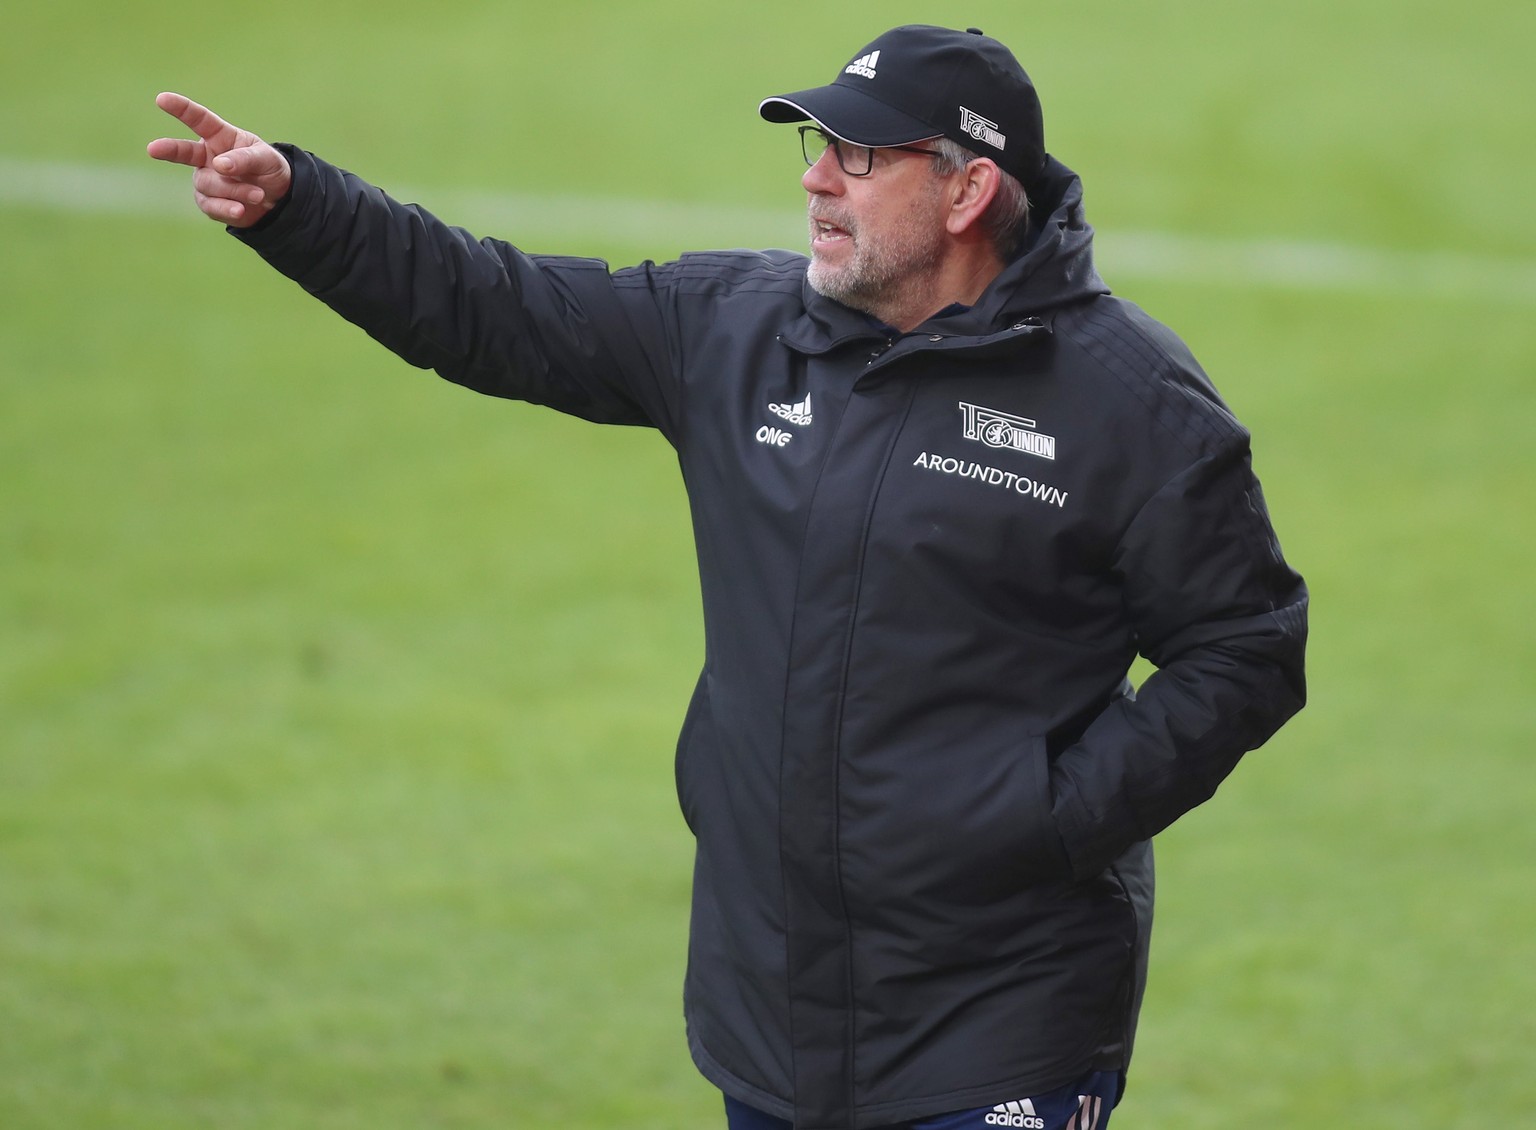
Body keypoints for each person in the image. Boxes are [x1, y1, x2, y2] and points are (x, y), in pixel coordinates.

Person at [148, 24, 1307, 1130]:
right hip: (773, 1008)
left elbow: (1247, 644)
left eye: (860, 154)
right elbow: (489, 307)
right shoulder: (738, 330)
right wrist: (299, 206)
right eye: (818, 147)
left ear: (966, 192)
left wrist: (1045, 819)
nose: (818, 180)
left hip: (1002, 1021)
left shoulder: (1128, 401)